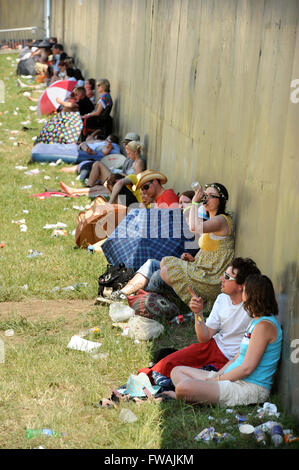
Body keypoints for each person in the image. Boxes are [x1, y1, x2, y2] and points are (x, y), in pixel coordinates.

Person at [165, 273, 282, 407]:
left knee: (182, 388)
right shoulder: (255, 321)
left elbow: (246, 369)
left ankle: (185, 395)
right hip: (231, 379)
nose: (241, 293)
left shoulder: (264, 326)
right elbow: (236, 359)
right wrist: (217, 376)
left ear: (252, 295)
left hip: (249, 387)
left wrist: (217, 380)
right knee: (177, 371)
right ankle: (197, 395)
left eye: (244, 290)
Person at [137, 257, 261, 384]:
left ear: (242, 286)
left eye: (228, 277)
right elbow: (204, 338)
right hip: (212, 347)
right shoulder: (222, 298)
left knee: (192, 379)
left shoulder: (253, 308)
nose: (221, 279)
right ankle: (143, 381)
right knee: (168, 362)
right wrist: (198, 313)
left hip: (230, 361)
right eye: (224, 274)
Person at [153, 183, 234, 312]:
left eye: (211, 196)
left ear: (221, 201)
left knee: (164, 270)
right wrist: (193, 259)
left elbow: (193, 227)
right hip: (204, 271)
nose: (206, 199)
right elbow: (211, 251)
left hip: (212, 280)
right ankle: (156, 299)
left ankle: (155, 300)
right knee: (163, 264)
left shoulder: (221, 220)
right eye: (205, 195)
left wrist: (195, 203)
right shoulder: (212, 221)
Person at [59, 140, 145, 199]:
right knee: (98, 181)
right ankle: (79, 189)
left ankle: (74, 191)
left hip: (125, 186)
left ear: (135, 152)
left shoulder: (139, 163)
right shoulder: (134, 161)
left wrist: (123, 177)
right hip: (121, 181)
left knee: (100, 189)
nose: (128, 155)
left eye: (129, 153)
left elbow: (137, 182)